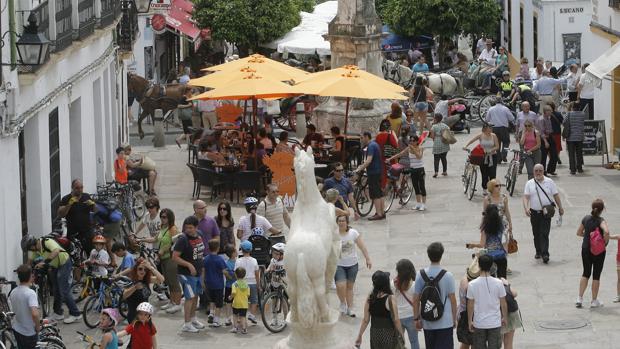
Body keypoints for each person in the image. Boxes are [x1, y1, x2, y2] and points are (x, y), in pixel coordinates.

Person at [21, 235, 82, 324]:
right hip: (54, 266)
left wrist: (44, 262)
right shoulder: (36, 250)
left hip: (64, 262)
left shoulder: (47, 242)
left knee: (64, 289)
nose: (30, 250)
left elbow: (56, 251)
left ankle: (75, 313)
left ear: (33, 244)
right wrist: (24, 270)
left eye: (29, 248)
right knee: (55, 290)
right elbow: (30, 261)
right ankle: (58, 313)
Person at [137, 208, 182, 313]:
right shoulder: (163, 227)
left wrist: (163, 250)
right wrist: (141, 239)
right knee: (168, 282)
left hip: (170, 258)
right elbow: (155, 239)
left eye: (164, 217)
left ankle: (177, 303)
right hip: (163, 259)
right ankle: (172, 301)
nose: (162, 219)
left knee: (174, 282)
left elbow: (173, 243)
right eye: (161, 216)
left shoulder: (173, 229)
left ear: (170, 218)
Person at [413, 242, 457, 348]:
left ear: (428, 255)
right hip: (445, 322)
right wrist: (454, 319)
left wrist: (416, 319)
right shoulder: (448, 276)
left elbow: (416, 299)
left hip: (428, 321)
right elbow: (453, 300)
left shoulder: (421, 275)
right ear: (441, 255)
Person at [523, 164, 565, 263]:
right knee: (536, 233)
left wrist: (560, 207)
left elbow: (556, 195)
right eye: (536, 171)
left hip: (546, 212)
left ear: (543, 171)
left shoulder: (549, 182)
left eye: (540, 170)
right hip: (534, 212)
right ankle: (538, 251)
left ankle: (545, 253)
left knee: (544, 233)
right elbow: (526, 197)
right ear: (533, 172)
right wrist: (526, 208)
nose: (538, 173)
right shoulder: (529, 183)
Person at [172, 216, 206, 333]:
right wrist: (188, 265)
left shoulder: (200, 234)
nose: (188, 230)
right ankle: (187, 323)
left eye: (191, 228)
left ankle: (193, 319)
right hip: (185, 273)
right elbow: (175, 257)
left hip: (197, 272)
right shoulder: (183, 239)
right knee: (189, 297)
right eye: (187, 228)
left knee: (195, 296)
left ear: (196, 227)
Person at [355, 270, 405, 349]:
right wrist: (402, 335)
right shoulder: (390, 298)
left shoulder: (370, 298)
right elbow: (396, 320)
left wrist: (360, 335)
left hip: (375, 334)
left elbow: (365, 320)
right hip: (388, 334)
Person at [467, 255, 507, 349]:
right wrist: (505, 317)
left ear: (479, 266)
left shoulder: (472, 284)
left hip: (479, 323)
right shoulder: (498, 283)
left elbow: (470, 305)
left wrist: (470, 321)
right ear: (491, 266)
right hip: (495, 322)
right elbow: (503, 303)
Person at [575, 199, 610, 308]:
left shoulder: (585, 218)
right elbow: (607, 232)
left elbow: (578, 232)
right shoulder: (601, 221)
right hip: (599, 251)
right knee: (596, 275)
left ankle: (579, 298)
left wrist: (587, 235)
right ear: (602, 209)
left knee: (586, 273)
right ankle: (594, 301)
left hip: (586, 249)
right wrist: (605, 242)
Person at [335, 215, 372, 317]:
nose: (341, 223)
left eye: (343, 221)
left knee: (349, 287)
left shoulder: (353, 233)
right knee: (340, 285)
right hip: (339, 265)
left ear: (347, 222)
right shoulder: (334, 234)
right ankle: (342, 303)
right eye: (339, 221)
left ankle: (350, 308)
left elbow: (362, 246)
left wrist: (367, 258)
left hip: (352, 265)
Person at [466, 205, 508, 279]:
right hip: (501, 255)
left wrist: (472, 245)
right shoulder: (501, 225)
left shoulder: (485, 228)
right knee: (503, 279)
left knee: (491, 279)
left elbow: (482, 244)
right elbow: (505, 240)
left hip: (489, 258)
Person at [387, 134, 427, 210]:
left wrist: (413, 149)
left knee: (422, 187)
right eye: (410, 141)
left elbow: (419, 157)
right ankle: (418, 203)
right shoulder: (408, 149)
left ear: (417, 141)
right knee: (416, 187)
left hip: (420, 169)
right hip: (413, 169)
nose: (411, 142)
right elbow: (400, 154)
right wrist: (390, 158)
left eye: (413, 141)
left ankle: (423, 204)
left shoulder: (420, 148)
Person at [58, 179, 96, 255]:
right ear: (72, 188)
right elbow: (61, 214)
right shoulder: (66, 198)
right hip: (73, 232)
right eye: (77, 188)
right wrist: (69, 204)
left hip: (87, 230)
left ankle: (91, 266)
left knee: (91, 253)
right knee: (74, 254)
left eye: (81, 187)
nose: (80, 190)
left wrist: (93, 204)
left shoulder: (86, 196)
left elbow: (96, 210)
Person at [123, 258, 164, 323]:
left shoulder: (146, 280)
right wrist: (135, 287)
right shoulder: (131, 281)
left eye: (145, 269)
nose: (143, 271)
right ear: (135, 270)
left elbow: (161, 279)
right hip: (135, 317)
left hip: (146, 315)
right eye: (140, 269)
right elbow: (124, 295)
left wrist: (150, 267)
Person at [356, 132, 386, 220]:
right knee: (380, 194)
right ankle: (382, 212)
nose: (361, 140)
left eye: (362, 138)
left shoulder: (371, 146)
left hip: (373, 173)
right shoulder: (375, 144)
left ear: (366, 137)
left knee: (375, 194)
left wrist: (360, 168)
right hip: (378, 171)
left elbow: (369, 160)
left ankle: (378, 214)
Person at [9, 264, 40, 349]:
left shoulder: (13, 292)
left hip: (17, 329)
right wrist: (37, 327)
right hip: (29, 332)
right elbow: (35, 314)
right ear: (30, 276)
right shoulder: (30, 293)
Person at [392, 259, 420, 349]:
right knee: (414, 341)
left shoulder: (393, 284)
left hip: (398, 317)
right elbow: (417, 302)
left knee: (399, 342)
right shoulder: (415, 284)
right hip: (411, 316)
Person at [202, 239, 230, 327]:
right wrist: (229, 277)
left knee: (211, 300)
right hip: (218, 285)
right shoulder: (220, 259)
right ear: (218, 248)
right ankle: (216, 321)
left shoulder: (205, 259)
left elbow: (203, 271)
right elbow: (224, 271)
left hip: (208, 283)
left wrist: (202, 282)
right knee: (219, 303)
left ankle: (211, 313)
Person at [464, 124, 500, 191]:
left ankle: (492, 188)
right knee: (484, 174)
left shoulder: (493, 136)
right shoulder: (481, 135)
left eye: (491, 128)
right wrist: (466, 146)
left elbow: (497, 146)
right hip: (483, 156)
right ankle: (484, 188)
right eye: (489, 128)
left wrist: (490, 150)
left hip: (492, 156)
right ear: (485, 128)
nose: (490, 130)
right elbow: (472, 140)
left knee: (492, 174)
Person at [235, 241, 260, 325]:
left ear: (241, 250)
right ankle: (252, 315)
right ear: (251, 249)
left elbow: (236, 273)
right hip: (252, 282)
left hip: (241, 283)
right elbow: (257, 274)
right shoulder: (254, 260)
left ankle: (239, 317)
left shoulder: (238, 261)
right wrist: (258, 285)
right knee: (254, 300)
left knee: (241, 300)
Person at [457, 261, 481, 349]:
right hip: (471, 316)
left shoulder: (464, 280)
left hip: (461, 314)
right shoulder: (472, 287)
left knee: (465, 342)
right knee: (474, 343)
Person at [483, 179, 513, 245]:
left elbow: (507, 211)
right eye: (496, 186)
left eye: (500, 185)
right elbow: (485, 213)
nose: (499, 187)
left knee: (504, 242)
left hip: (503, 223)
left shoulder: (504, 197)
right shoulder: (487, 199)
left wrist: (510, 223)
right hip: (491, 223)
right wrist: (483, 226)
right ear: (491, 187)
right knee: (493, 243)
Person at [485, 98, 514, 162]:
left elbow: (487, 119)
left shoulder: (491, 109)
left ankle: (498, 158)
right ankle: (504, 155)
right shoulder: (505, 108)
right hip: (503, 128)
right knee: (506, 142)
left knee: (496, 143)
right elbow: (512, 118)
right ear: (502, 102)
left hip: (494, 128)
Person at [500, 277, 522, 349]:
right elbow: (514, 293)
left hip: (496, 315)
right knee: (508, 342)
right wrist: (508, 284)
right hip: (510, 314)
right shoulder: (501, 282)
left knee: (496, 343)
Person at [564, 110, 585, 175]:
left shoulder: (569, 114)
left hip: (570, 137)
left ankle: (573, 170)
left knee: (571, 154)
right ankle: (580, 168)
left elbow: (564, 122)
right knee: (579, 153)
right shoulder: (583, 114)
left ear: (573, 107)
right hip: (579, 137)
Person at [230, 267, 250, 334]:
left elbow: (233, 293)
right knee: (243, 316)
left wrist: (230, 297)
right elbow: (248, 295)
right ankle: (244, 329)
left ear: (236, 275)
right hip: (244, 303)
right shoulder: (247, 285)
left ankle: (235, 327)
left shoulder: (234, 284)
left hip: (236, 303)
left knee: (235, 315)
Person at [429, 113, 450, 177]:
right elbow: (448, 131)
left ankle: (436, 172)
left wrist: (434, 136)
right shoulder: (445, 125)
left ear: (435, 119)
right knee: (444, 158)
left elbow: (432, 136)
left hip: (437, 143)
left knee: (436, 159)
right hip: (445, 143)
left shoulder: (434, 126)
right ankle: (445, 171)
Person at [539, 106, 558, 175]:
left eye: (551, 110)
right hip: (544, 139)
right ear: (545, 111)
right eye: (549, 111)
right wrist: (545, 141)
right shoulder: (541, 119)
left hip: (550, 136)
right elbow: (541, 132)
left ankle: (551, 170)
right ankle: (543, 171)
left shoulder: (548, 118)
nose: (551, 112)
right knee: (543, 156)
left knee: (554, 154)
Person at [223, 245, 237, 326]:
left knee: (228, 303)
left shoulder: (226, 263)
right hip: (236, 286)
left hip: (228, 285)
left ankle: (228, 318)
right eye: (235, 251)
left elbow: (227, 276)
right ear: (233, 254)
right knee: (236, 302)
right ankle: (238, 318)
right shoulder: (237, 262)